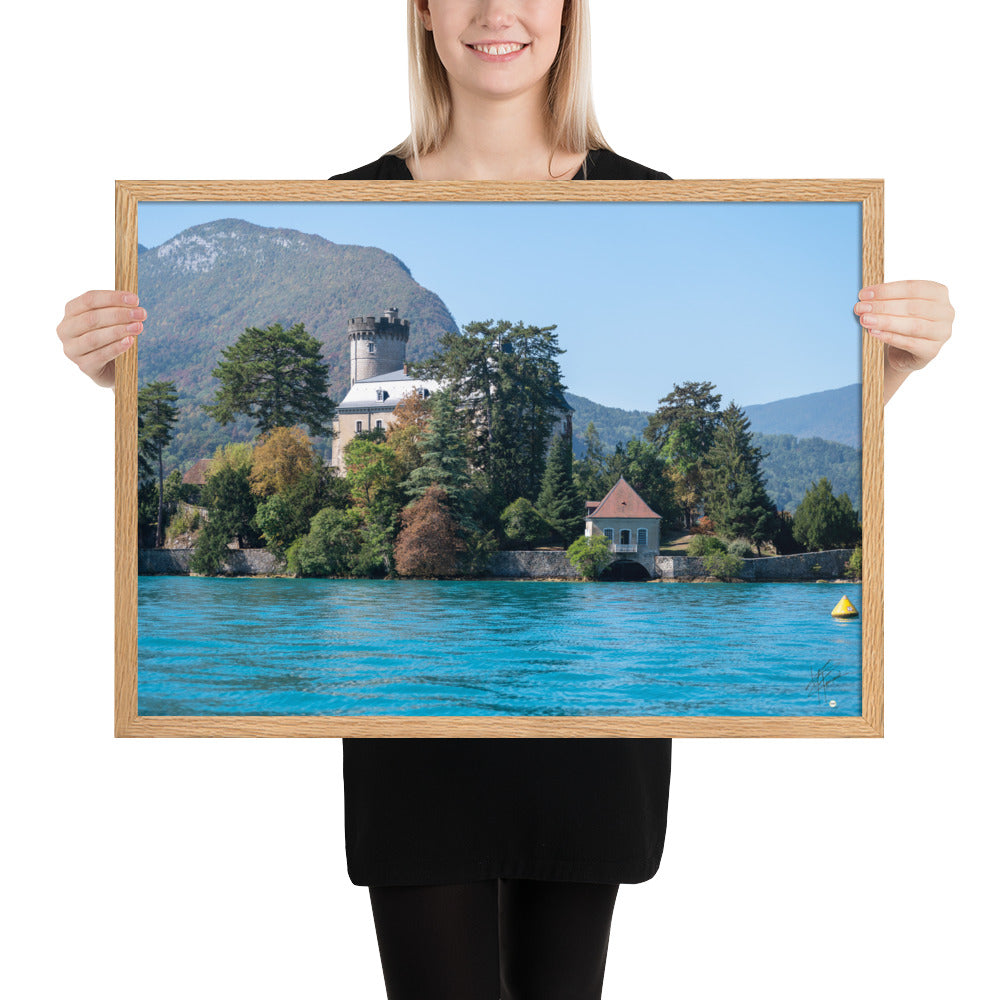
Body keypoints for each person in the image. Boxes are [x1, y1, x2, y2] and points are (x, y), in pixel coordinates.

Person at [56, 2, 954, 998]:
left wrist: (892, 368)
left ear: (570, 12)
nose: (497, 11)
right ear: (424, 12)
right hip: (415, 731)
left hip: (585, 739)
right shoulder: (356, 205)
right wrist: (118, 379)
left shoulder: (648, 199)